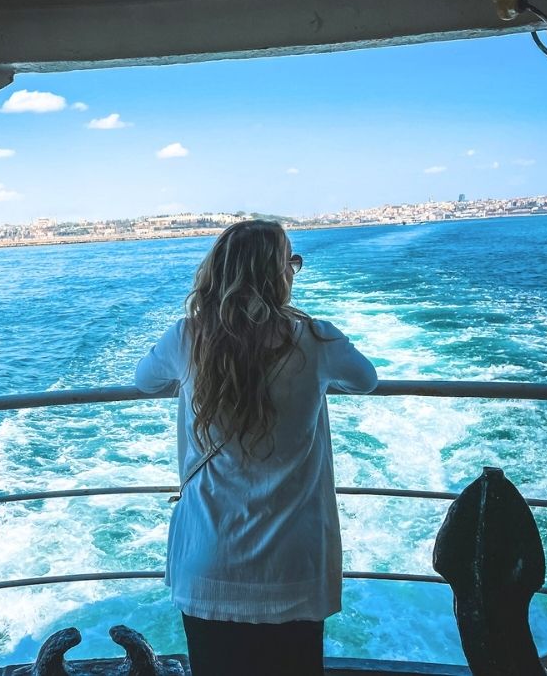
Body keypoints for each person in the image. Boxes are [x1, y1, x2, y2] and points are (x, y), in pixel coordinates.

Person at [135, 220, 377, 676]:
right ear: (278, 275)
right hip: (293, 567)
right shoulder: (318, 339)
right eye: (292, 263)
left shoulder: (186, 337)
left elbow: (143, 380)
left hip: (210, 565)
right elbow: (366, 380)